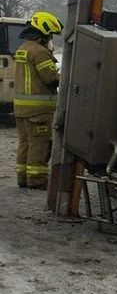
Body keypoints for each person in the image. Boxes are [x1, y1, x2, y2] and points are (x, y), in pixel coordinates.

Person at [13, 11, 61, 189]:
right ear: (44, 33)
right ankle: (37, 180)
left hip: (21, 107)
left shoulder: (23, 48)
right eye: (50, 35)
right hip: (38, 110)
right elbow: (49, 78)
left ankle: (23, 178)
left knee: (25, 142)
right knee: (39, 143)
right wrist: (62, 76)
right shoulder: (40, 52)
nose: (51, 38)